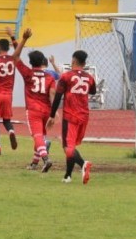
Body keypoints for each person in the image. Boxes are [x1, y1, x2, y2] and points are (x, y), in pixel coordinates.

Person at [9, 28, 56, 172]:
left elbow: (15, 57)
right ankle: (35, 163)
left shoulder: (28, 73)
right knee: (40, 137)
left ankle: (46, 159)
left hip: (33, 109)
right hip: (47, 110)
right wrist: (53, 114)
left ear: (30, 62)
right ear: (43, 62)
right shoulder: (50, 77)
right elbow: (53, 94)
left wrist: (23, 39)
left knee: (37, 136)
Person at [48, 50, 96, 184]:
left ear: (73, 61)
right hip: (84, 117)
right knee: (71, 146)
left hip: (70, 116)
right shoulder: (90, 77)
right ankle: (67, 176)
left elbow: (58, 96)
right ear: (84, 63)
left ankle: (83, 164)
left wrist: (52, 115)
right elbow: (93, 91)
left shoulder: (66, 77)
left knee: (67, 148)